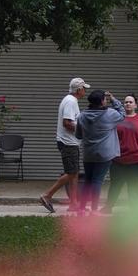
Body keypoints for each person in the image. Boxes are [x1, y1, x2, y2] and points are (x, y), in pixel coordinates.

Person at [40, 78, 88, 213]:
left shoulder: (71, 100)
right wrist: (82, 131)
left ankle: (74, 203)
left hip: (71, 142)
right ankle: (47, 195)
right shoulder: (71, 101)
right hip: (68, 142)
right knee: (72, 173)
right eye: (84, 88)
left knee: (74, 173)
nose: (85, 91)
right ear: (79, 90)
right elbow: (67, 123)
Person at [76, 89, 126, 214]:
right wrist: (113, 99)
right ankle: (93, 209)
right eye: (105, 99)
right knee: (97, 181)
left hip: (88, 154)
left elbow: (78, 136)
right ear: (102, 101)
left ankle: (82, 208)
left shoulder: (82, 116)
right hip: (105, 154)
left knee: (88, 180)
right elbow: (123, 114)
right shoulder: (110, 114)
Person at [105, 94, 138, 213]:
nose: (128, 104)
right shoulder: (118, 118)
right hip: (118, 159)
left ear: (135, 105)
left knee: (133, 185)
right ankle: (108, 207)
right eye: (126, 102)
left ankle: (134, 209)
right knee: (115, 184)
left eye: (130, 102)